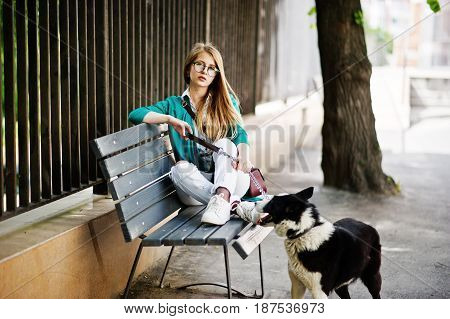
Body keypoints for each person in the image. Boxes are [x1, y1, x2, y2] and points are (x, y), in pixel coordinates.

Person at [128, 42, 259, 225]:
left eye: (212, 68)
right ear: (189, 68)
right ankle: (235, 205)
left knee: (225, 144)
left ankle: (224, 200)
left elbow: (239, 133)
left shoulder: (225, 102)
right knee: (179, 169)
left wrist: (244, 155)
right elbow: (135, 115)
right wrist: (170, 119)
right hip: (194, 188)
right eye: (200, 64)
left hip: (231, 177)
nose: (205, 71)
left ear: (216, 75)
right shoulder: (173, 105)